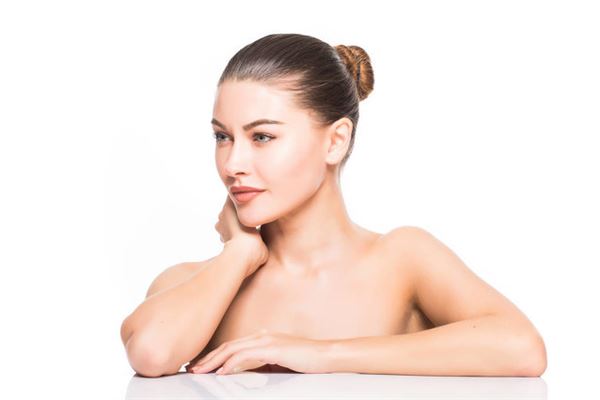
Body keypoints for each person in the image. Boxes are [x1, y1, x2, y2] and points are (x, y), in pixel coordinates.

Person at [120, 33, 547, 378]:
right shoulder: (195, 283)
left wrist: (320, 354)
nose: (233, 164)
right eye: (222, 137)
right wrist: (240, 253)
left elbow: (521, 347)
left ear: (335, 141)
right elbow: (151, 354)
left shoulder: (401, 259)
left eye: (262, 137)